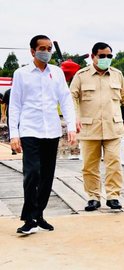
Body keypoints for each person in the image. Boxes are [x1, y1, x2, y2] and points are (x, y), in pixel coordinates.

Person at [10, 35, 77, 234]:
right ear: (32, 51)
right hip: (30, 129)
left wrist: (71, 127)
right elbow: (14, 105)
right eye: (42, 48)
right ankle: (29, 219)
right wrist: (14, 134)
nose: (46, 51)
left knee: (47, 176)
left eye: (49, 48)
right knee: (32, 173)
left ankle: (38, 215)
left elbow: (65, 100)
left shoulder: (56, 73)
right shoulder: (21, 73)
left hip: (52, 130)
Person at [70, 42, 124, 211]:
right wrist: (74, 118)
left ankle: (113, 196)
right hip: (89, 128)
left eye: (109, 56)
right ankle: (93, 197)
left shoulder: (117, 75)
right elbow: (72, 98)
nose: (106, 59)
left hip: (113, 127)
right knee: (90, 165)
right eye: (102, 56)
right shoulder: (81, 76)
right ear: (93, 57)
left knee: (114, 162)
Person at [1, 89, 17, 155]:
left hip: (22, 115)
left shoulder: (23, 90)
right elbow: (4, 104)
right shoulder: (8, 92)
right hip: (11, 114)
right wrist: (3, 115)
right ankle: (13, 148)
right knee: (12, 130)